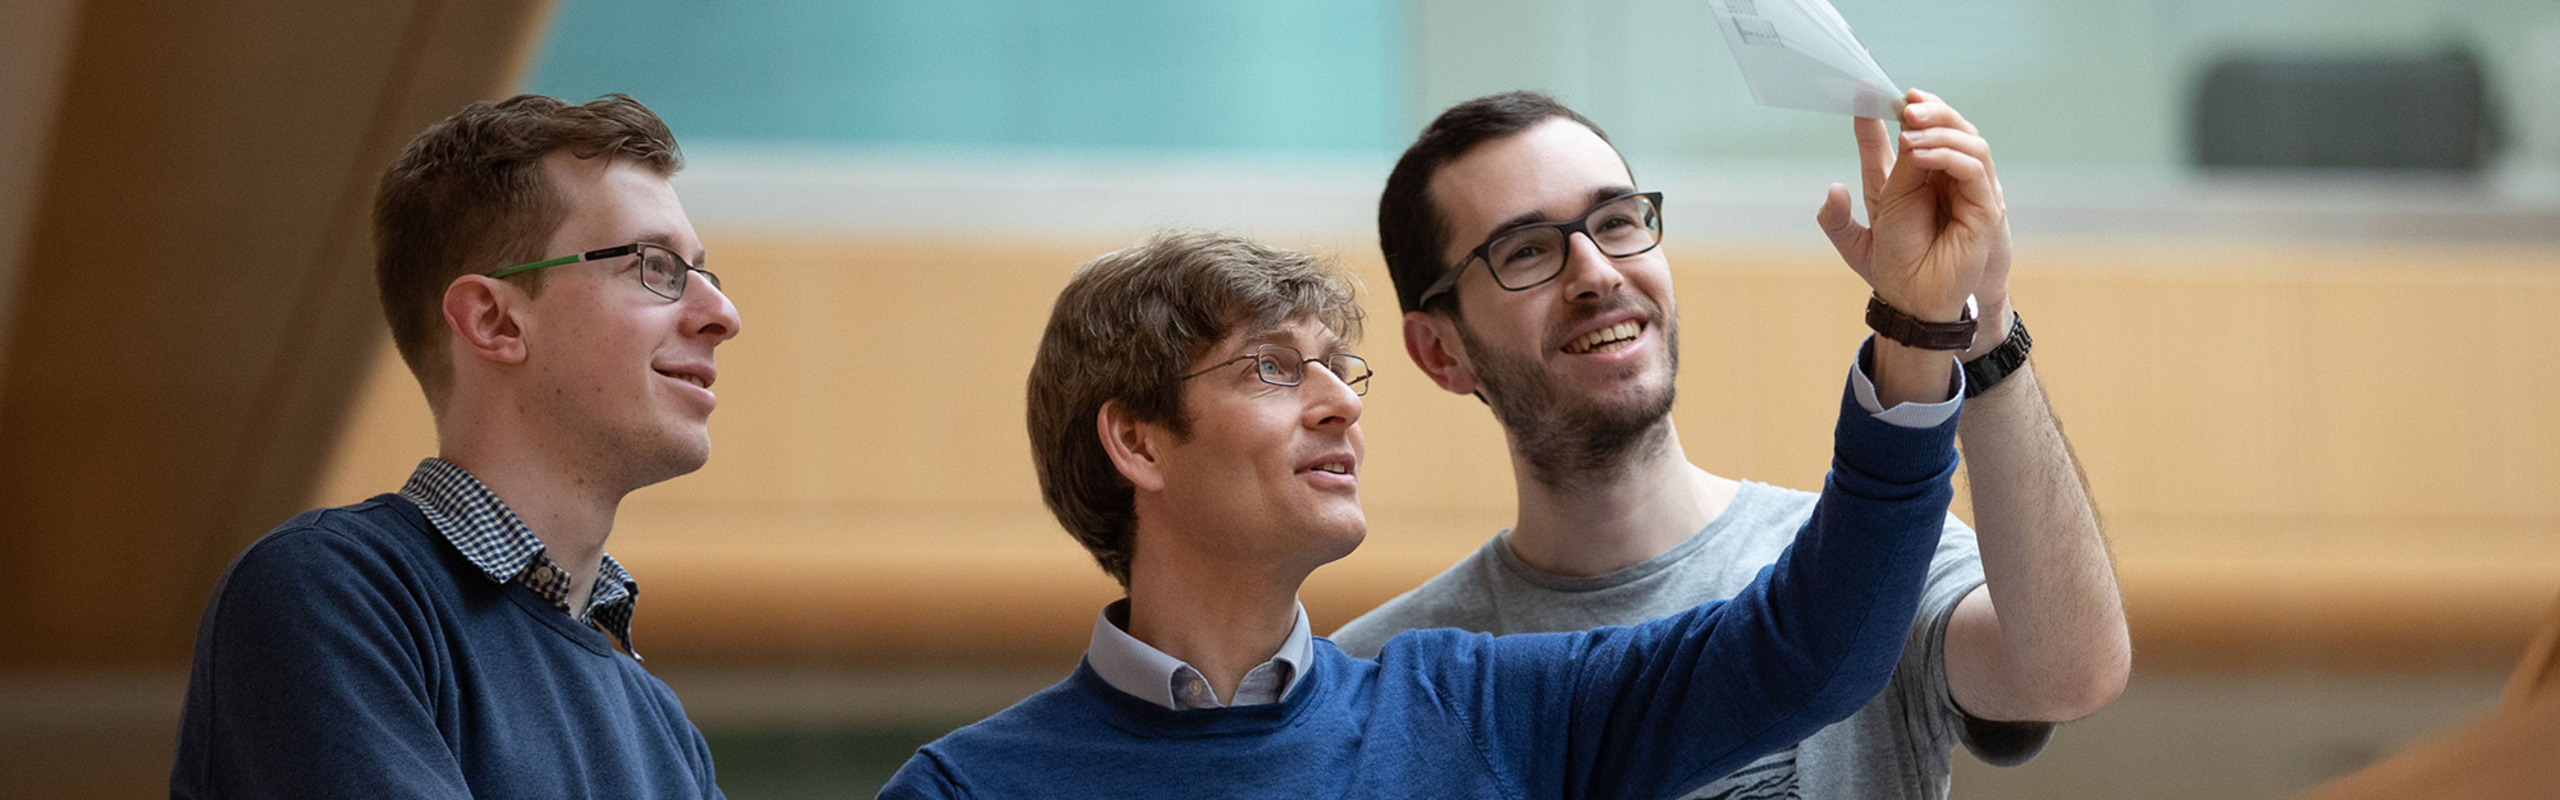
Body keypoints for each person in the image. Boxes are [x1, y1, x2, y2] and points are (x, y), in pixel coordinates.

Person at [881, 228, 1969, 798]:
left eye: (1339, 369)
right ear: (1137, 440)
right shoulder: (969, 789)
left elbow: (1813, 648)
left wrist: (1918, 331)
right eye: (1271, 368)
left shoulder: (1484, 704)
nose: (1339, 403)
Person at [1329, 89, 2131, 798]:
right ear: (1442, 351)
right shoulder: (1379, 680)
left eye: (1617, 221)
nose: (1597, 272)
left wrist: (1978, 319)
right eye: (1526, 251)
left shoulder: (1868, 567)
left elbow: (2068, 672)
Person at [170, 94, 739, 798]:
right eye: (655, 266)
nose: (723, 314)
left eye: (703, 273)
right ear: (495, 320)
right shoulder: (330, 594)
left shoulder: (661, 726)